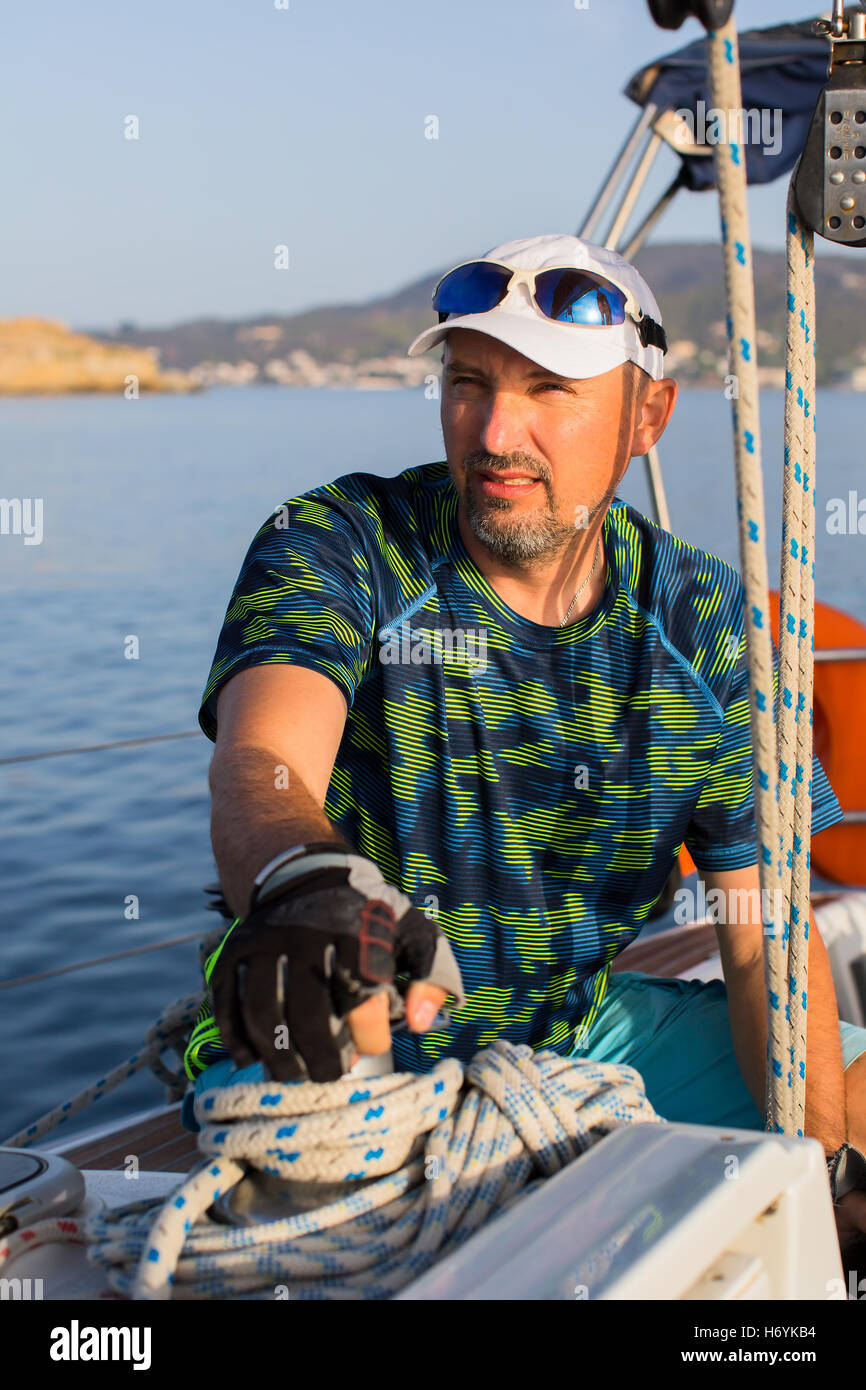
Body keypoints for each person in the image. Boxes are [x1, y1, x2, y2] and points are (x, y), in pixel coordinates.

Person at [181, 232, 866, 1247]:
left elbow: (763, 931)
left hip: (568, 1036)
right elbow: (261, 760)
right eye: (468, 383)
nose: (495, 431)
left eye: (550, 389)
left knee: (848, 1090)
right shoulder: (341, 541)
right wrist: (305, 881)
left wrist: (810, 1187)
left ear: (646, 414)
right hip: (346, 1031)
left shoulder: (705, 624)